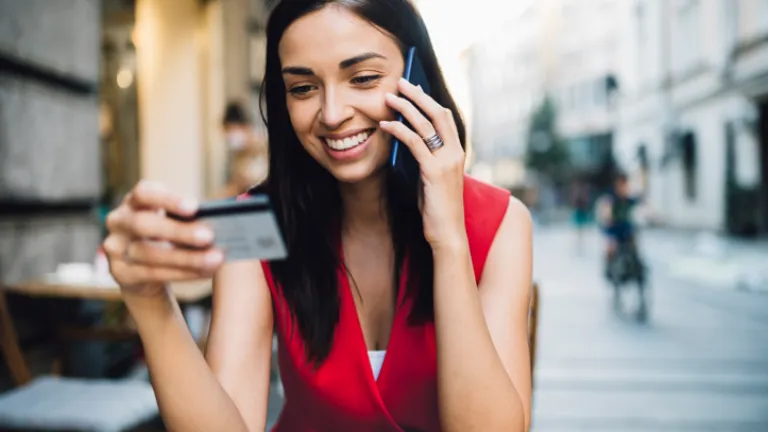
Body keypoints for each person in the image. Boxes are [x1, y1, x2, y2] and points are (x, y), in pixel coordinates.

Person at [102, 1, 532, 431]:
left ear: (418, 79)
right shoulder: (255, 222)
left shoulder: (501, 224)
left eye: (362, 79)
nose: (331, 114)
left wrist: (449, 241)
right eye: (303, 88)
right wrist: (150, 301)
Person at [598, 172, 642, 277]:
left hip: (626, 228)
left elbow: (641, 207)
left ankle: (636, 268)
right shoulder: (611, 198)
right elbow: (606, 210)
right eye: (621, 185)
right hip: (613, 229)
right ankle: (608, 268)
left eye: (625, 185)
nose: (623, 188)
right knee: (611, 247)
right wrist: (607, 217)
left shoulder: (629, 199)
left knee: (634, 246)